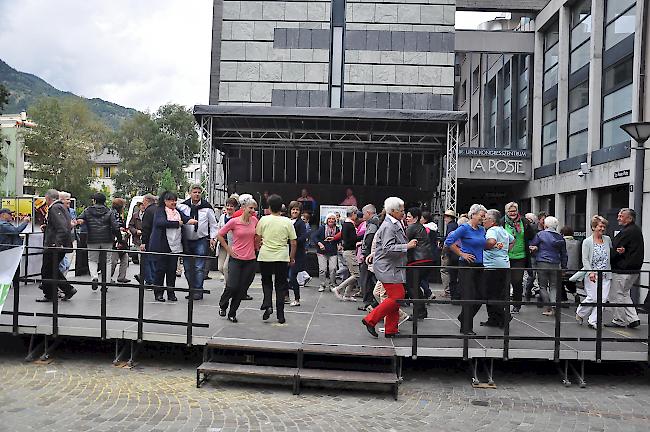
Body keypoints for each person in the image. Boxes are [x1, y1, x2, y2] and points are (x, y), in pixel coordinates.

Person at [362, 197, 417, 338]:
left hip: (392, 267)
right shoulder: (389, 226)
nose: (404, 213)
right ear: (393, 211)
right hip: (388, 268)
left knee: (395, 298)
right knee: (397, 297)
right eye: (401, 210)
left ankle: (390, 330)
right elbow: (387, 248)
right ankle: (370, 319)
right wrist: (407, 246)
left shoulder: (393, 223)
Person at [444, 204, 487, 335]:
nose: (483, 218)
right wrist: (462, 254)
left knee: (481, 296)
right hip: (466, 266)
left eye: (485, 216)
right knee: (469, 295)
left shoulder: (481, 229)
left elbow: (482, 245)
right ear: (473, 215)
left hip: (479, 265)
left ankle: (463, 317)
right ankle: (466, 328)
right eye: (482, 216)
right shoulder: (464, 228)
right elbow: (449, 241)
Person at [148, 191, 196, 302]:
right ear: (165, 201)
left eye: (175, 200)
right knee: (160, 270)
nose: (173, 202)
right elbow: (160, 223)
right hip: (162, 245)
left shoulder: (177, 211)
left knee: (171, 270)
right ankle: (158, 293)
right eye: (170, 200)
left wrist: (191, 221)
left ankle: (171, 293)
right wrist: (176, 224)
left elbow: (184, 218)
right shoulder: (159, 211)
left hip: (175, 245)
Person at [255, 194, 297, 324]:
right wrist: (291, 257)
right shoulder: (287, 221)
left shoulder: (263, 220)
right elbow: (294, 242)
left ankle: (267, 303)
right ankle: (281, 315)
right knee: (281, 285)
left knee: (266, 281)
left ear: (269, 207)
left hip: (265, 255)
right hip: (281, 256)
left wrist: (258, 248)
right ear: (282, 207)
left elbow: (257, 237)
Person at [217, 198, 258, 322]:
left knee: (242, 289)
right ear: (243, 208)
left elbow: (258, 235)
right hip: (236, 258)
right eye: (251, 208)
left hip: (250, 259)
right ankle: (223, 304)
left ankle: (232, 312)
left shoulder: (255, 221)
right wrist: (228, 249)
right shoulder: (234, 222)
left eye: (254, 209)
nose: (253, 211)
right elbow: (219, 234)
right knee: (232, 286)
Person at [177, 184, 218, 301]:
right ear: (190, 193)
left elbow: (213, 225)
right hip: (186, 241)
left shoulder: (207, 208)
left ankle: (198, 291)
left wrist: (213, 238)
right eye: (194, 192)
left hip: (201, 240)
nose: (197, 194)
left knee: (199, 267)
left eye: (199, 192)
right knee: (188, 268)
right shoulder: (183, 207)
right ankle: (192, 289)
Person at [605, 208, 643, 329]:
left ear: (629, 218)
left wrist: (610, 258)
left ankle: (619, 319)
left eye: (621, 216)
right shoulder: (635, 230)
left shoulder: (627, 231)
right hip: (634, 269)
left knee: (617, 295)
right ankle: (633, 318)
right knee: (624, 293)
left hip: (623, 269)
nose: (618, 218)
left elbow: (615, 248)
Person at [37, 189, 77, 302]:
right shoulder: (62, 208)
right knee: (52, 269)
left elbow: (62, 227)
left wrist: (56, 243)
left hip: (54, 245)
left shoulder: (54, 208)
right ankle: (66, 290)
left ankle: (51, 294)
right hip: (59, 244)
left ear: (48, 198)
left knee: (47, 270)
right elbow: (63, 225)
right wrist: (48, 227)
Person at [573, 216, 611, 330]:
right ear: (594, 227)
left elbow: (610, 255)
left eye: (604, 226)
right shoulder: (587, 241)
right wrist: (590, 272)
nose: (602, 228)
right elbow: (585, 259)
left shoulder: (607, 239)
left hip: (605, 274)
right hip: (592, 275)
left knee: (603, 299)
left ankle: (593, 321)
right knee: (593, 298)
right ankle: (580, 313)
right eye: (600, 226)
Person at [77, 193, 119, 291]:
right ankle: (106, 284)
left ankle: (94, 277)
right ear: (104, 201)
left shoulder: (87, 210)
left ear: (94, 200)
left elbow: (79, 219)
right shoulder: (109, 211)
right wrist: (119, 239)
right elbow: (115, 226)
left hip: (92, 238)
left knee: (92, 260)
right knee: (108, 261)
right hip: (107, 239)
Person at [529, 216, 568, 316]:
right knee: (554, 286)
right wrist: (564, 267)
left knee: (542, 286)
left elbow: (532, 246)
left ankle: (548, 307)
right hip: (555, 263)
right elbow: (564, 254)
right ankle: (554, 303)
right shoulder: (560, 237)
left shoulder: (540, 234)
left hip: (542, 262)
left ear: (545, 225)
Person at [482, 209, 515, 328]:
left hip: (492, 266)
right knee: (499, 294)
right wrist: (505, 252)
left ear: (492, 221)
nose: (483, 220)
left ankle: (504, 316)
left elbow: (491, 242)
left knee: (489, 294)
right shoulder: (503, 231)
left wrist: (483, 246)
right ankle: (494, 319)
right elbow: (513, 240)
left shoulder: (492, 230)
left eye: (485, 218)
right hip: (504, 265)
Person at [503, 202, 535, 314]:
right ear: (506, 212)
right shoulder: (502, 222)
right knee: (505, 282)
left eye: (514, 211)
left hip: (520, 256)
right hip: (505, 256)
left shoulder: (524, 222)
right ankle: (504, 303)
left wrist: (532, 245)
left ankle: (517, 304)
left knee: (517, 281)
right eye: (510, 211)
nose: (513, 213)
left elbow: (532, 235)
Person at [405, 207, 433, 321]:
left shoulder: (412, 227)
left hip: (417, 261)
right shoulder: (420, 227)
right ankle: (421, 310)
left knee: (412, 286)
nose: (407, 218)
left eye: (409, 216)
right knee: (414, 286)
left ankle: (419, 311)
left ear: (415, 218)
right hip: (426, 260)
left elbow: (403, 241)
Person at [332, 206, 360, 301]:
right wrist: (362, 236)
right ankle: (339, 289)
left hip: (347, 251)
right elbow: (353, 239)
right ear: (353, 214)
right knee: (356, 274)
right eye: (356, 214)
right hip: (349, 251)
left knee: (353, 274)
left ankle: (347, 294)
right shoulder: (350, 225)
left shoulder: (345, 224)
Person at [287, 201, 309, 306]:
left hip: (297, 254)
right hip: (285, 252)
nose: (295, 211)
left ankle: (297, 299)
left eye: (297, 209)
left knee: (292, 276)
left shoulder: (300, 223)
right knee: (284, 276)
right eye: (293, 209)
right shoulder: (287, 221)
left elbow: (303, 237)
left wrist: (292, 240)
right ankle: (286, 296)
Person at [359, 204, 380, 310]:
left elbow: (369, 239)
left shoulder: (372, 224)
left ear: (368, 213)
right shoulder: (376, 222)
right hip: (373, 254)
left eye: (363, 214)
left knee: (366, 279)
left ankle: (368, 302)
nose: (362, 216)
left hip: (370, 255)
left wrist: (364, 253)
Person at [312, 212, 340, 292]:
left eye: (333, 219)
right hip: (322, 252)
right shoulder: (322, 228)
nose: (331, 220)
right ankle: (322, 284)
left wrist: (340, 244)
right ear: (327, 220)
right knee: (322, 269)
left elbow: (339, 238)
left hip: (332, 251)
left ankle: (332, 284)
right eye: (329, 219)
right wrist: (319, 243)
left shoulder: (337, 229)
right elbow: (314, 236)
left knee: (333, 268)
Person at [137, 194, 157, 285]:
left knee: (146, 261)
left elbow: (146, 227)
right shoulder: (157, 209)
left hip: (149, 240)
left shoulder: (148, 211)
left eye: (143, 201)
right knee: (153, 261)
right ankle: (154, 279)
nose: (143, 203)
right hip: (156, 240)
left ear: (147, 200)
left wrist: (144, 242)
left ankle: (149, 280)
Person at [216, 197, 238, 282]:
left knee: (226, 268)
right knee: (220, 267)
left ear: (235, 207)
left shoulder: (236, 218)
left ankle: (227, 287)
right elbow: (218, 229)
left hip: (232, 245)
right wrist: (214, 239)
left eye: (231, 206)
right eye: (227, 205)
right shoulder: (222, 217)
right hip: (222, 245)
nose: (229, 208)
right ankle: (230, 282)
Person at [110, 198, 130, 284]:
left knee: (124, 257)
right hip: (116, 239)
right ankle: (108, 277)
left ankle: (122, 276)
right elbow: (115, 226)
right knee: (114, 260)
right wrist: (121, 229)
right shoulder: (114, 214)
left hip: (120, 237)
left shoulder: (118, 213)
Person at [440, 209, 459, 300]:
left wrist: (444, 251)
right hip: (454, 252)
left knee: (445, 270)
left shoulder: (451, 226)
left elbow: (449, 240)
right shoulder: (455, 225)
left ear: (448, 217)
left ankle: (447, 291)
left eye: (445, 217)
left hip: (449, 251)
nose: (444, 219)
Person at [561, 226, 581, 302]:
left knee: (560, 283)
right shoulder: (578, 243)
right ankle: (575, 294)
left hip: (564, 268)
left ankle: (564, 300)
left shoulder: (561, 242)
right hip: (574, 268)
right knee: (571, 283)